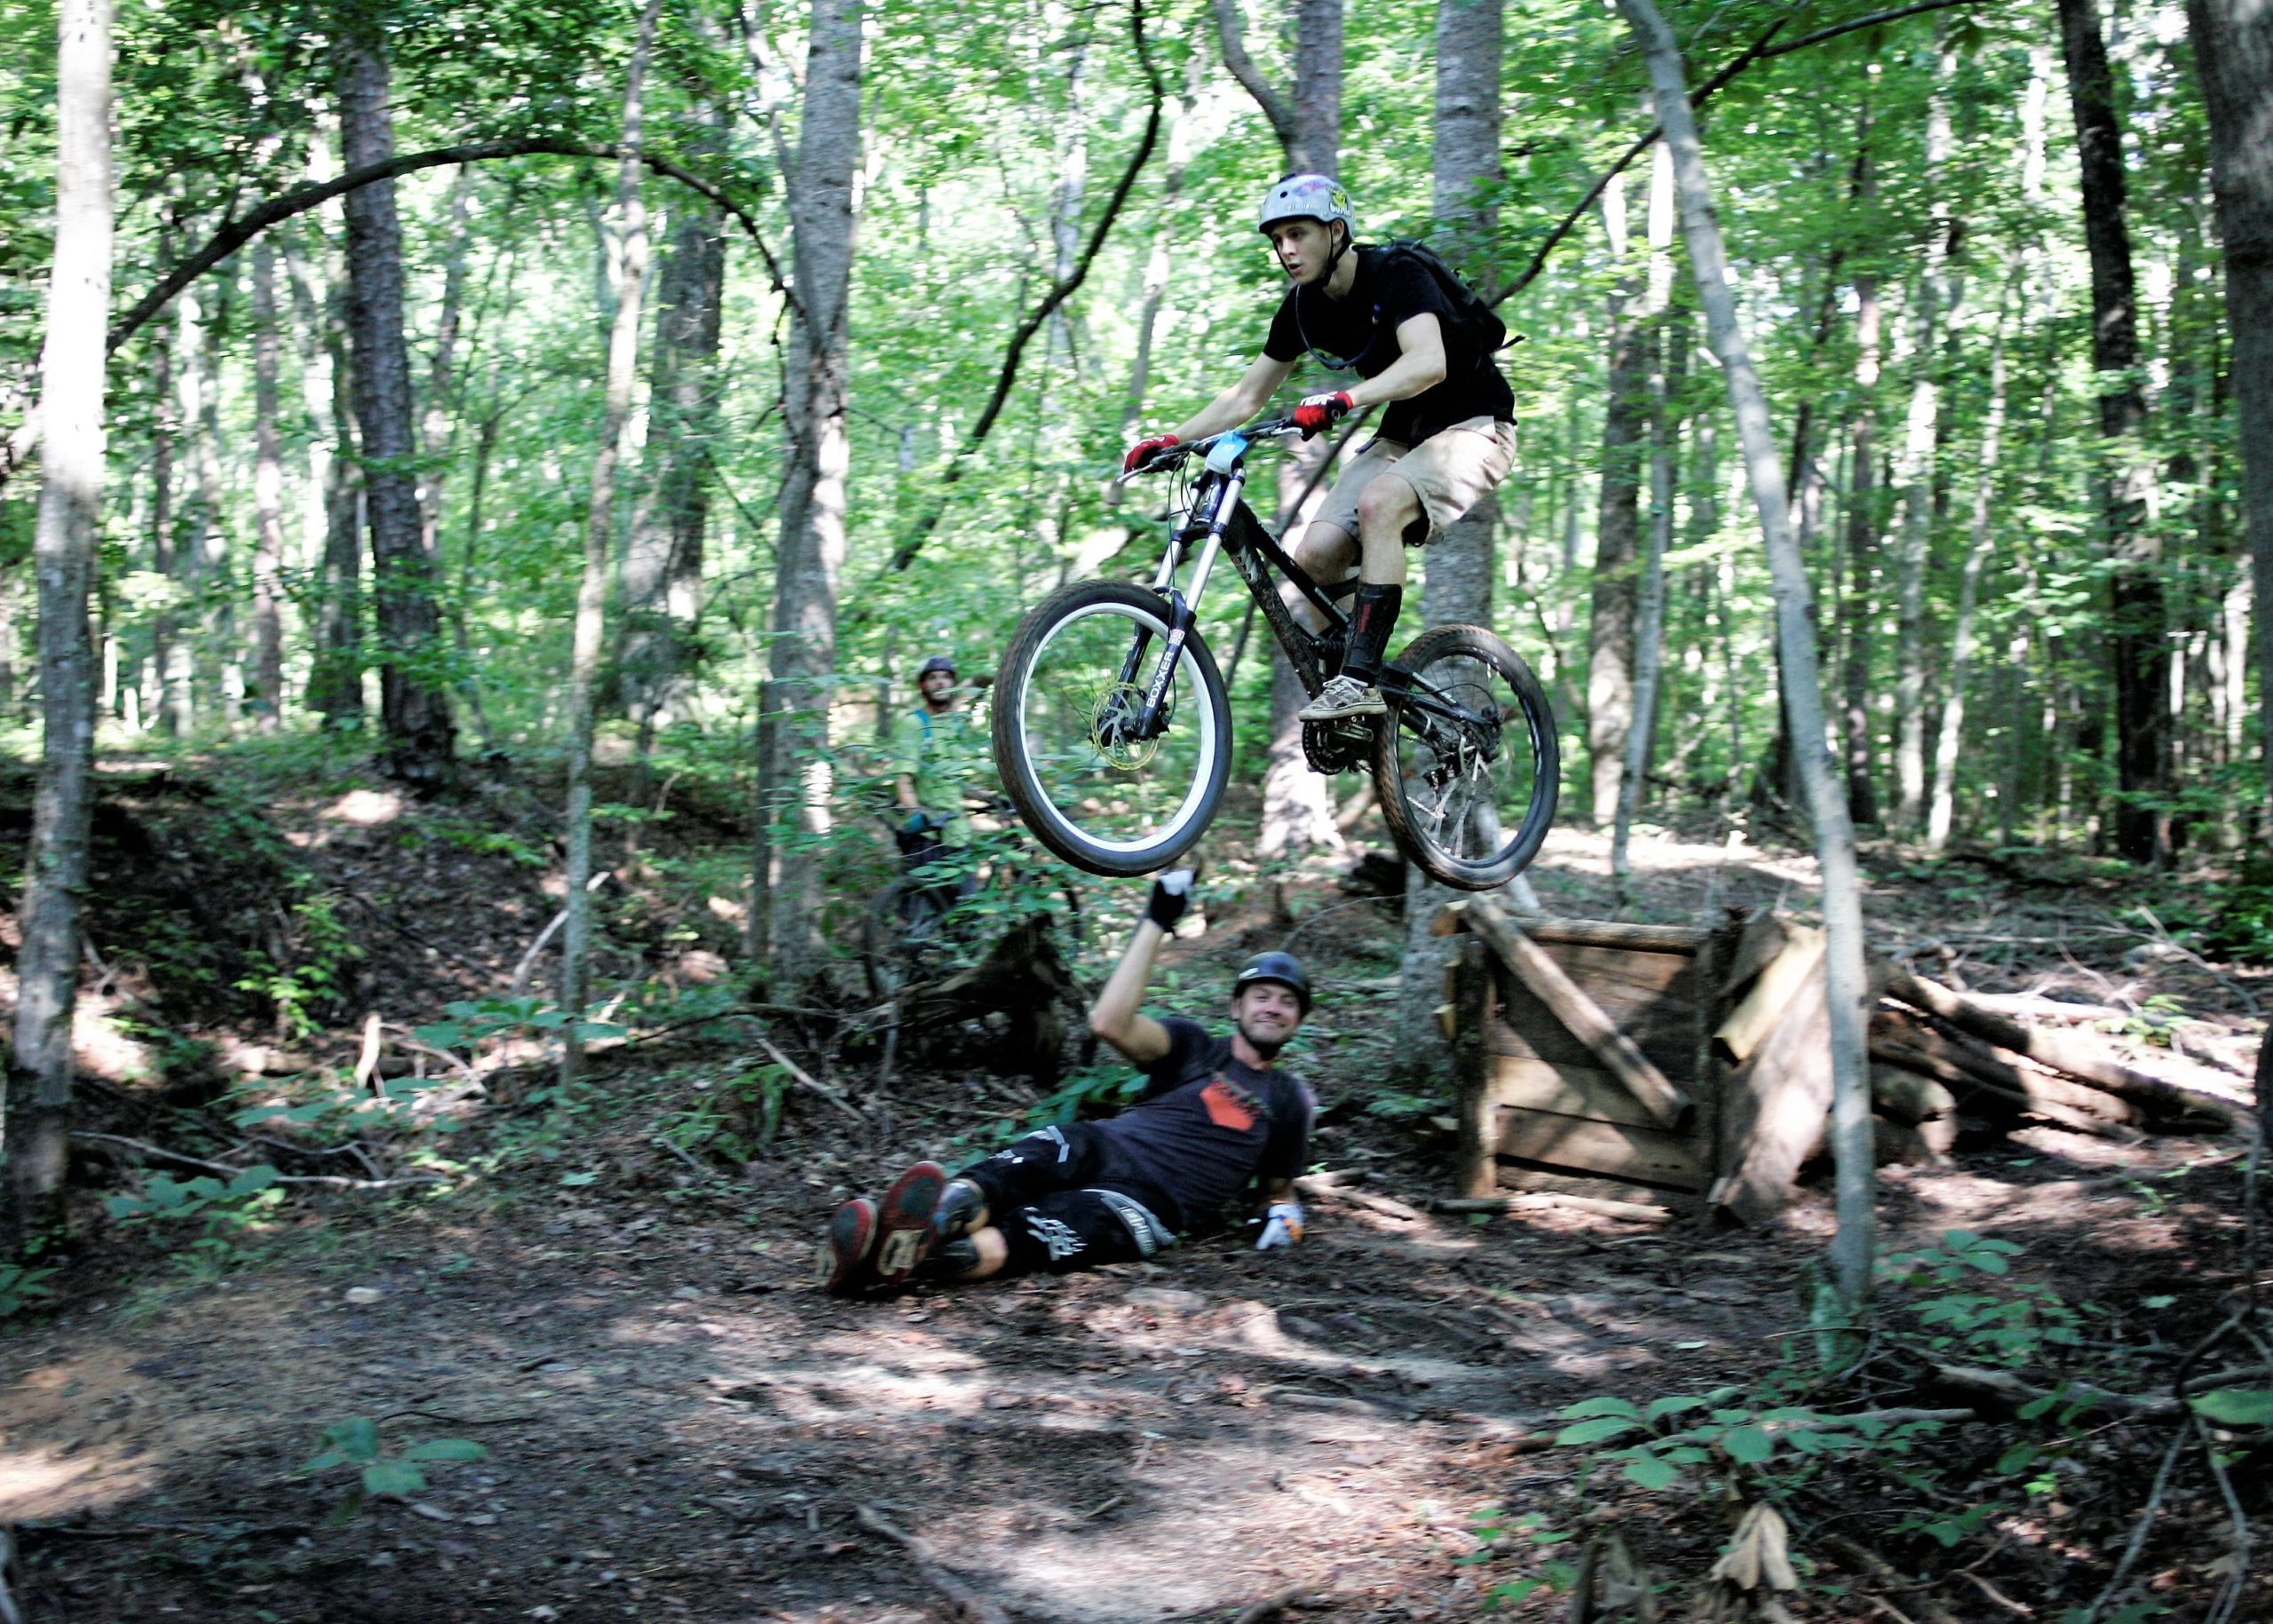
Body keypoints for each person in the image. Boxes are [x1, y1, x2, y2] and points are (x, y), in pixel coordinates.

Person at [1121, 174, 1517, 727]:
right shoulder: (1304, 308)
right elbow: (1247, 395)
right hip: (1405, 436)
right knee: (1313, 561)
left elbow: (1429, 362)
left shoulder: (1395, 276)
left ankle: (1357, 681)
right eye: (1277, 239)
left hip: (1478, 426)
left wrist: (1343, 398)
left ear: (1336, 232)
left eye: (1297, 234)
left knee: (1381, 502)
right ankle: (1365, 691)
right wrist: (1172, 439)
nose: (1286, 249)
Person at [816, 870, 1317, 1293]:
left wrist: (1282, 1214)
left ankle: (892, 1268)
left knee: (1031, 1235)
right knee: (1004, 1177)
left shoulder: (1288, 1099)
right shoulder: (1193, 1047)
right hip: (1101, 1144)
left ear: (1297, 1021)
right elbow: (1109, 1023)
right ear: (1237, 1006)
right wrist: (1159, 917)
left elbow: (1276, 1189)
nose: (1273, 1007)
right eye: (1262, 996)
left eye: (1286, 1001)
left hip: (1151, 1204)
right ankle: (898, 1233)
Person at [888, 653, 984, 902]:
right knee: (920, 914)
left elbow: (956, 782)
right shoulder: (913, 724)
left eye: (945, 677)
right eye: (932, 678)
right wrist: (915, 813)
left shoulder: (957, 727)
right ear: (922, 685)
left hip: (959, 835)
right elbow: (904, 778)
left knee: (966, 913)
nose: (940, 682)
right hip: (928, 835)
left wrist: (990, 798)